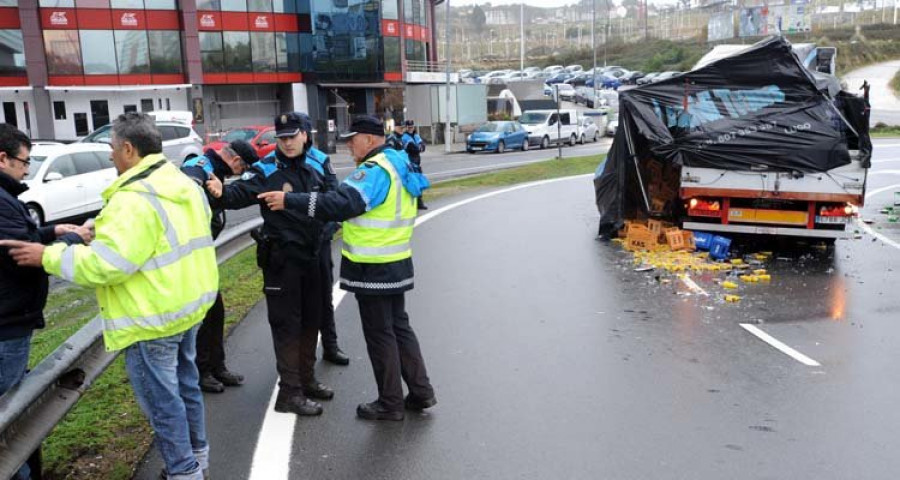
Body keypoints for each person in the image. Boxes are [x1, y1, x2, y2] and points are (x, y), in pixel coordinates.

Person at [1, 113, 218, 480]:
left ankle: (184, 473)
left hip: (152, 320)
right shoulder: (179, 183)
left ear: (129, 149)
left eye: (112, 149)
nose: (110, 157)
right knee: (185, 389)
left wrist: (48, 255)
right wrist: (99, 226)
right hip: (189, 309)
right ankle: (198, 457)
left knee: (163, 405)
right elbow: (159, 237)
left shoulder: (132, 199)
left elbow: (107, 265)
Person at [256, 115, 436, 421]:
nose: (349, 146)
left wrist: (291, 201)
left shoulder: (375, 170)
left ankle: (390, 402)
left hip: (373, 266)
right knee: (399, 327)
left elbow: (341, 203)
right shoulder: (399, 161)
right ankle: (421, 391)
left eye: (352, 140)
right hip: (395, 261)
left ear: (369, 139)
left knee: (381, 334)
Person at [204, 112, 335, 416]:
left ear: (305, 134)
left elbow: (333, 199)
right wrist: (222, 192)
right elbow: (238, 193)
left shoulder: (318, 163)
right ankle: (290, 393)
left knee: (312, 322)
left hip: (314, 256)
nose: (287, 143)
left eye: (292, 136)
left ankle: (306, 379)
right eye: (282, 138)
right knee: (287, 326)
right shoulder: (265, 169)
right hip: (282, 260)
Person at [0, 124, 91, 480]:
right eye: (25, 162)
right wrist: (73, 242)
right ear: (3, 158)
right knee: (11, 414)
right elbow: (20, 256)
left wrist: (52, 232)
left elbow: (17, 239)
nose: (28, 170)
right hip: (7, 324)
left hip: (10, 319)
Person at [181, 140, 258, 393]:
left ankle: (217, 367)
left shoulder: (219, 174)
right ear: (236, 161)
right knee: (204, 317)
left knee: (216, 314)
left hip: (203, 258)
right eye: (243, 168)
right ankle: (202, 372)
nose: (242, 172)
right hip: (187, 260)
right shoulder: (201, 164)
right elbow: (190, 178)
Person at [303, 133, 350, 367]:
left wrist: (327, 230)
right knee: (296, 304)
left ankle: (330, 346)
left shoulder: (320, 159)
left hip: (319, 240)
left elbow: (334, 195)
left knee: (324, 296)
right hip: (292, 245)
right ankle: (300, 359)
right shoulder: (274, 160)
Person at [401, 120, 428, 210]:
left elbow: (422, 146)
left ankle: (419, 203)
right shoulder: (405, 137)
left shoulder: (416, 135)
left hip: (417, 163)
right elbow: (414, 148)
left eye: (412, 127)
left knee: (419, 183)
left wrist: (419, 147)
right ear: (406, 127)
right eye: (409, 127)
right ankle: (412, 203)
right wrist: (419, 147)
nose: (410, 129)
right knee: (412, 184)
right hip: (410, 163)